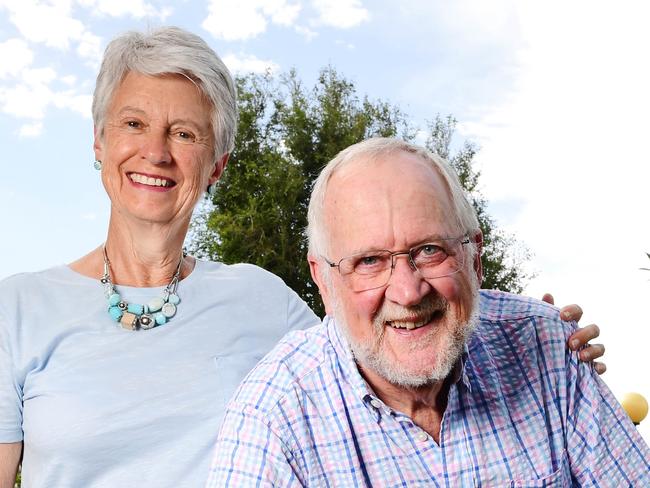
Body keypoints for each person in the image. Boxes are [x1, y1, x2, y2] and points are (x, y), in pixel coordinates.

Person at [0, 27, 603, 488]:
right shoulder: (17, 310)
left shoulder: (263, 299)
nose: (156, 152)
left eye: (184, 133)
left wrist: (522, 339)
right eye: (134, 123)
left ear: (216, 166)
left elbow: (387, 348)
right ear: (100, 142)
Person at [207, 138, 649, 487]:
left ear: (474, 257)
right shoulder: (272, 421)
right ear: (323, 279)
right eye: (369, 261)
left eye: (429, 251)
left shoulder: (547, 344)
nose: (408, 291)